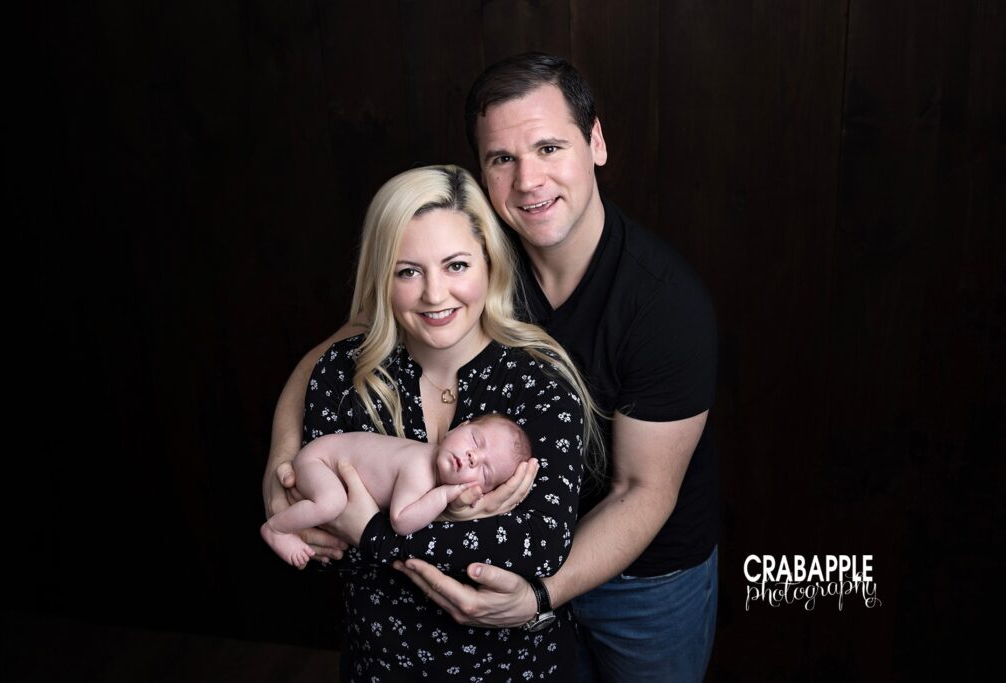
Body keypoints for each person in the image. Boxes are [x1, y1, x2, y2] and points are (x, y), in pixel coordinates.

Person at [263, 52, 720, 682]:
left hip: (642, 571)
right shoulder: (468, 249)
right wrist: (284, 463)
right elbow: (349, 341)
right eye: (502, 159)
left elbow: (641, 491)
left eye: (550, 147)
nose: (528, 181)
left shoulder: (664, 306)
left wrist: (536, 597)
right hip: (492, 557)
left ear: (597, 143)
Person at [270, 163, 602, 680]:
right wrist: (458, 522)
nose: (434, 294)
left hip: (515, 669)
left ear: (489, 264)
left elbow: (539, 547)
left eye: (455, 265)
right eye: (408, 271)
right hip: (381, 664)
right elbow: (326, 546)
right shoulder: (344, 373)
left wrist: (374, 532)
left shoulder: (540, 385)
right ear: (382, 277)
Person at [261, 414, 531, 567]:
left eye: (484, 471)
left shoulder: (428, 462)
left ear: (481, 492)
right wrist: (445, 495)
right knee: (332, 502)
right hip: (320, 461)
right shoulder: (420, 469)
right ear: (458, 427)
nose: (473, 456)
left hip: (325, 458)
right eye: (475, 440)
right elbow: (401, 521)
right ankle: (276, 529)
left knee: (334, 501)